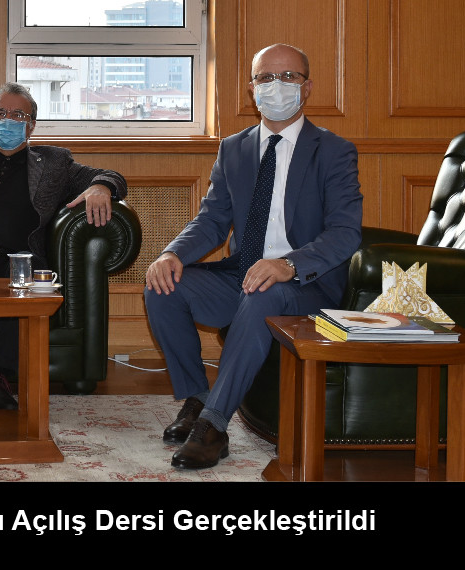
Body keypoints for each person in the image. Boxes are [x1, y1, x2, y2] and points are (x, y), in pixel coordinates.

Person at [144, 44, 363, 469]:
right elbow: (212, 220)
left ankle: (213, 425)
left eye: (289, 76)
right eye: (266, 77)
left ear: (307, 87)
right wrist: (172, 253)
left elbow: (345, 232)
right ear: (252, 89)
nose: (276, 85)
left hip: (305, 284)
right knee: (163, 285)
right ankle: (198, 399)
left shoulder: (334, 150)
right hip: (243, 275)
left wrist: (288, 264)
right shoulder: (234, 148)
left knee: (264, 292)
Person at [0, 82, 128, 409]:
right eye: (1, 113)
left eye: (18, 115)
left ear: (31, 125)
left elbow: (111, 175)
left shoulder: (54, 163)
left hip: (20, 261)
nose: (8, 120)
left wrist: (101, 186)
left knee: (29, 272)